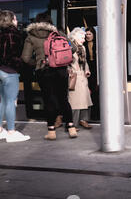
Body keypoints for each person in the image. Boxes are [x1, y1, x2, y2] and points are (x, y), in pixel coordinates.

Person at [21, 12, 78, 140]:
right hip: (61, 70)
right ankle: (71, 127)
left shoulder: (31, 36)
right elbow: (73, 48)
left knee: (49, 100)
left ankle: (51, 131)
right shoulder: (58, 33)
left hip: (44, 71)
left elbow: (25, 58)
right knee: (63, 99)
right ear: (50, 21)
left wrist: (37, 63)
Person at [0, 10, 31, 142]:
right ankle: (11, 132)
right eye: (15, 19)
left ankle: (0, 130)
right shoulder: (14, 33)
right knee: (11, 101)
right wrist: (19, 64)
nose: (17, 21)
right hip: (10, 71)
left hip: (0, 70)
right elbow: (14, 54)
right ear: (11, 20)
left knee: (1, 101)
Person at [68, 27, 93, 129]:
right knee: (75, 102)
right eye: (81, 37)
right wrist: (69, 72)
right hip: (74, 76)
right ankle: (73, 123)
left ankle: (84, 120)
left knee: (86, 99)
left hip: (82, 76)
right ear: (75, 37)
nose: (84, 39)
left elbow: (85, 62)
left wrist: (87, 70)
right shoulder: (70, 47)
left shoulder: (83, 48)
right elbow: (66, 62)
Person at [83, 26, 99, 121]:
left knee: (96, 92)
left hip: (96, 69)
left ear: (94, 35)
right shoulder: (83, 45)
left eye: (90, 34)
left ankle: (96, 114)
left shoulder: (97, 44)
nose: (88, 36)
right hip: (88, 69)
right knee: (89, 92)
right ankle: (90, 115)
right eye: (87, 34)